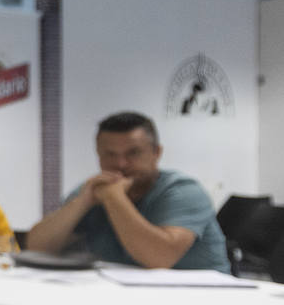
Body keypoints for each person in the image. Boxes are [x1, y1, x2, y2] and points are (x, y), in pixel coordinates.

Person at [26, 111, 229, 271]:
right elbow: (36, 248)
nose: (120, 164)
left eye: (133, 153)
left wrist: (115, 198)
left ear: (156, 153)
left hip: (203, 303)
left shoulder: (183, 191)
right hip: (131, 300)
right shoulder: (94, 190)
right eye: (110, 155)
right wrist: (81, 202)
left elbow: (158, 258)